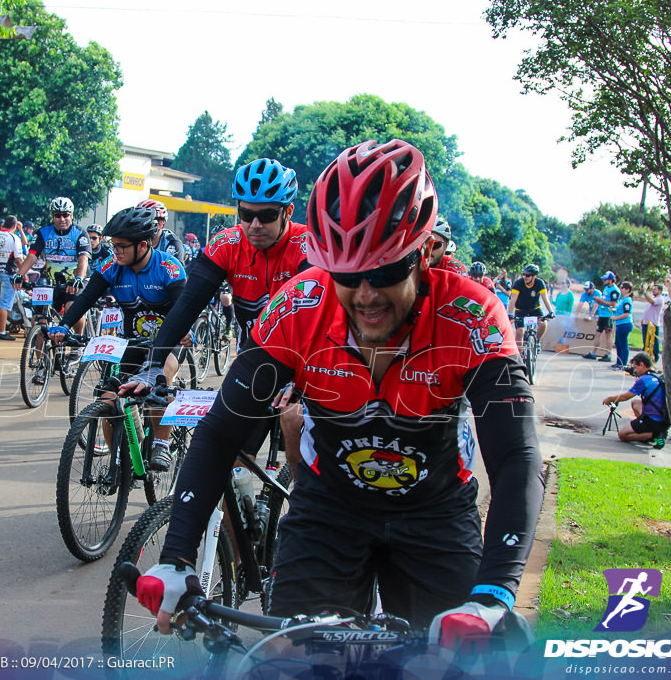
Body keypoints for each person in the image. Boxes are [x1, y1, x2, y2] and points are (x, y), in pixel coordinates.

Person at [133, 139, 543, 652]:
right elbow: (220, 432)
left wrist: (495, 592)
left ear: (426, 252)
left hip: (434, 517)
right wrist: (177, 556)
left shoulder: (472, 315)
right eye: (347, 276)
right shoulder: (301, 306)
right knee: (292, 659)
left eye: (385, 273)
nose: (366, 296)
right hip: (330, 512)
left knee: (453, 659)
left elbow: (517, 456)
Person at [119, 157, 311, 473]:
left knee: (308, 468)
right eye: (246, 214)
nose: (255, 225)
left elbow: (326, 319)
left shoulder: (307, 246)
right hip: (257, 364)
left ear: (288, 211)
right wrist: (154, 364)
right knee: (227, 462)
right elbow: (186, 306)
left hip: (307, 362)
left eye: (266, 215)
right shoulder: (228, 243)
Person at [51, 205, 187, 470]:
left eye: (122, 246)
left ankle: (162, 444)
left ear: (144, 245)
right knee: (109, 397)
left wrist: (186, 331)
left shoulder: (169, 268)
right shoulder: (112, 266)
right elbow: (86, 298)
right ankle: (120, 461)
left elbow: (184, 308)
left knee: (160, 381)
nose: (116, 251)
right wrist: (65, 325)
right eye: (113, 245)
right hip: (132, 341)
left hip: (167, 340)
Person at [16, 197, 90, 336]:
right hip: (51, 282)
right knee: (39, 320)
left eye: (66, 215)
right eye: (58, 215)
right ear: (52, 216)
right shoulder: (43, 232)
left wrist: (78, 277)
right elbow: (32, 256)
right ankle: (39, 357)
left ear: (71, 215)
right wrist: (19, 275)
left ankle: (77, 342)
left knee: (72, 308)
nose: (62, 219)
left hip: (73, 281)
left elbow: (83, 258)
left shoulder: (80, 233)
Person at [601, 352, 669, 448]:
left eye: (636, 367)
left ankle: (656, 435)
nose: (635, 371)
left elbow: (626, 396)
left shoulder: (644, 380)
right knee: (635, 403)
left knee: (622, 435)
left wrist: (610, 399)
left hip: (653, 419)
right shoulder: (657, 375)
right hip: (663, 417)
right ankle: (650, 432)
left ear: (642, 365)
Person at [0, 216, 25, 341]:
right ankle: (3, 331)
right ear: (14, 227)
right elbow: (18, 259)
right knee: (4, 303)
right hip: (8, 272)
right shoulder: (14, 238)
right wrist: (23, 274)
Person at [507, 263, 554, 344]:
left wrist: (551, 311)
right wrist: (510, 314)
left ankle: (537, 341)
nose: (525, 277)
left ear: (534, 276)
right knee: (520, 331)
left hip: (535, 309)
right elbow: (513, 300)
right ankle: (520, 353)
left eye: (528, 275)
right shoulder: (518, 283)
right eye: (524, 274)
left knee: (543, 323)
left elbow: (545, 298)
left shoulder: (540, 283)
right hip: (521, 310)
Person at [583, 271, 620, 361]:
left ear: (611, 280)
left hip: (609, 315)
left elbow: (613, 304)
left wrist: (600, 301)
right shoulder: (606, 288)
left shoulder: (614, 290)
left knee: (608, 334)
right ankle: (593, 352)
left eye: (605, 279)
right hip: (602, 314)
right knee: (598, 333)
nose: (603, 281)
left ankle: (608, 354)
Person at [609, 282, 634, 370]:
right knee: (618, 343)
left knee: (623, 344)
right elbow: (620, 310)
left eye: (623, 288)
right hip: (620, 324)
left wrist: (616, 318)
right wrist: (614, 310)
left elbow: (627, 314)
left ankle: (623, 363)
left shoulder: (627, 300)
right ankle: (619, 362)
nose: (621, 289)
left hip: (625, 324)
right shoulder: (622, 299)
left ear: (628, 290)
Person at [640, 283, 666, 363]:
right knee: (645, 341)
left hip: (653, 324)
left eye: (655, 289)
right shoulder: (653, 299)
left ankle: (654, 357)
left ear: (660, 291)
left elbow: (651, 301)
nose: (653, 291)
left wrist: (644, 292)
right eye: (653, 289)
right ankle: (645, 356)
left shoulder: (659, 299)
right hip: (646, 323)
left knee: (653, 342)